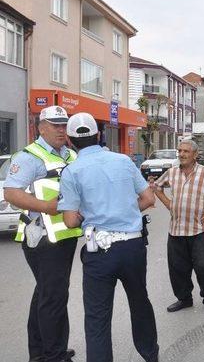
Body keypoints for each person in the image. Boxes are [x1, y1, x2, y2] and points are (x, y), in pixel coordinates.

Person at [57, 113, 159, 362]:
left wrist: (87, 214)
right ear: (99, 135)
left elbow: (70, 220)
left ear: (70, 141)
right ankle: (151, 355)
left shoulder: (71, 172)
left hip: (99, 252)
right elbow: (148, 199)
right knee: (140, 302)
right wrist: (124, 210)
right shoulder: (123, 161)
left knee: (97, 318)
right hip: (133, 247)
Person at [3, 105, 80, 362]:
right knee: (54, 297)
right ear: (41, 127)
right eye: (56, 125)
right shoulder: (28, 156)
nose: (61, 129)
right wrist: (47, 206)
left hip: (65, 236)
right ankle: (54, 354)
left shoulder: (70, 155)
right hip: (42, 239)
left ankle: (40, 353)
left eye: (64, 125)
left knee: (46, 294)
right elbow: (12, 193)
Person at [151, 139, 204, 315]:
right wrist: (169, 204)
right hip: (176, 231)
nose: (181, 154)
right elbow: (156, 187)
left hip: (199, 231)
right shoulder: (172, 173)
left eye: (186, 151)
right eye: (179, 151)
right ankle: (184, 299)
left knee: (203, 267)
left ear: (195, 155)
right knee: (178, 268)